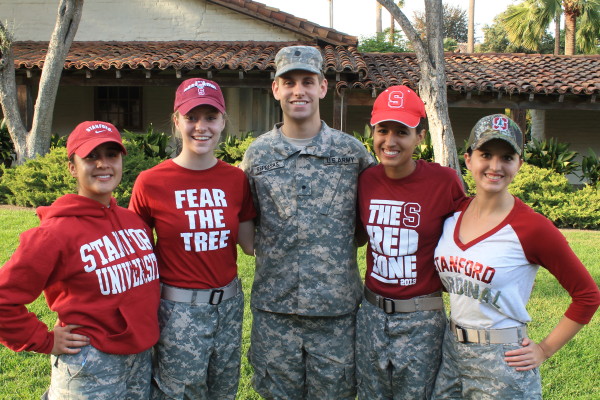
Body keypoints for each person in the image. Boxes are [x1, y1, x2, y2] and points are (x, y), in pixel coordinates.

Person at [239, 45, 375, 399]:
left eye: (307, 81)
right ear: (276, 89)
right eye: (289, 82)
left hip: (336, 313)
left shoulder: (352, 154)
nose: (298, 90)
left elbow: (368, 220)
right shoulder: (257, 155)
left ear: (322, 87)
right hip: (275, 311)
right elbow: (246, 223)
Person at [432, 114, 600, 399]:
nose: (495, 166)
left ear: (519, 164)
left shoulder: (532, 227)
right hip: (451, 352)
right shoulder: (452, 214)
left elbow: (587, 295)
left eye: (507, 157)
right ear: (469, 159)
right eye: (486, 154)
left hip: (502, 360)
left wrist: (544, 349)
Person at [0, 121, 160, 399]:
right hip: (91, 364)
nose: (103, 164)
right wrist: (44, 340)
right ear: (73, 167)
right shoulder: (53, 233)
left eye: (112, 155)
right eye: (91, 157)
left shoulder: (134, 223)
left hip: (139, 359)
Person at [129, 77, 256, 399]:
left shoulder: (235, 179)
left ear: (223, 122)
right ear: (176, 122)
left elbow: (250, 244)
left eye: (211, 117)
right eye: (191, 117)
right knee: (178, 394)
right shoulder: (151, 182)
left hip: (228, 306)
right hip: (177, 310)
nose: (202, 127)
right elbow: (135, 256)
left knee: (223, 391)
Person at [355, 86, 465, 399]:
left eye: (402, 132)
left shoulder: (444, 182)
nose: (390, 141)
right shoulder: (365, 180)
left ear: (420, 137)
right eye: (382, 130)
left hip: (421, 319)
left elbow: (469, 237)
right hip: (371, 315)